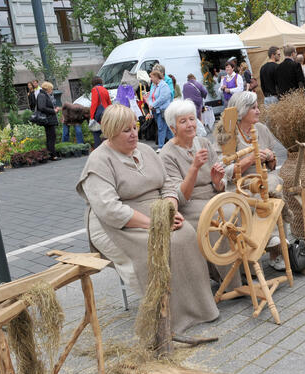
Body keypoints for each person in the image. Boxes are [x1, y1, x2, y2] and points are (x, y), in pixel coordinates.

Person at [76, 104, 218, 334]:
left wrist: (170, 209)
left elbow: (168, 184)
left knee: (186, 235)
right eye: (126, 130)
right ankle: (167, 319)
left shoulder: (146, 151)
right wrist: (154, 224)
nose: (134, 134)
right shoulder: (99, 161)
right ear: (111, 132)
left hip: (157, 212)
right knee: (158, 247)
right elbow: (108, 208)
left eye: (135, 127)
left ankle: (200, 309)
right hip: (119, 223)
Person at [159, 99, 243, 288]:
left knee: (242, 208)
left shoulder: (203, 142)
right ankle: (232, 282)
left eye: (192, 119)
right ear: (173, 128)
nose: (190, 124)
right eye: (183, 121)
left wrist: (217, 181)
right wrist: (194, 168)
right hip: (191, 205)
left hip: (212, 196)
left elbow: (220, 183)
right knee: (224, 219)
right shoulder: (167, 154)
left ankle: (244, 268)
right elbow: (180, 196)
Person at [215, 91, 289, 270]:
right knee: (256, 194)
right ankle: (254, 254)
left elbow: (272, 165)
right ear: (242, 111)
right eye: (254, 108)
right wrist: (250, 159)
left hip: (261, 177)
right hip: (239, 183)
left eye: (257, 107)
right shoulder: (227, 134)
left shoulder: (261, 129)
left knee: (274, 185)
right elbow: (223, 171)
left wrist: (271, 158)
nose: (258, 111)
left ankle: (275, 251)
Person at [145, 69, 173, 149]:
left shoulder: (164, 85)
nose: (151, 79)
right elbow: (151, 96)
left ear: (157, 77)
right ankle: (175, 143)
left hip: (162, 110)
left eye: (152, 77)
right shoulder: (153, 85)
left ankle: (161, 146)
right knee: (166, 128)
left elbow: (163, 98)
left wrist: (153, 105)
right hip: (155, 110)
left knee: (161, 128)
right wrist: (150, 104)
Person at [37, 81, 60, 161]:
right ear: (47, 89)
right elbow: (42, 107)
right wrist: (53, 111)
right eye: (51, 89)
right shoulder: (42, 95)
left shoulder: (45, 95)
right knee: (51, 137)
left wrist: (55, 109)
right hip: (48, 119)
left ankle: (51, 154)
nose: (52, 90)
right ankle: (52, 155)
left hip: (50, 118)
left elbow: (48, 105)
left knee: (51, 137)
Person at [90, 76, 111, 148]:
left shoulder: (95, 90)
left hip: (99, 115)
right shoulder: (105, 89)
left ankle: (98, 149)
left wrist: (92, 117)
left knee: (96, 132)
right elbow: (109, 102)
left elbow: (94, 104)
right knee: (106, 131)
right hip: (106, 113)